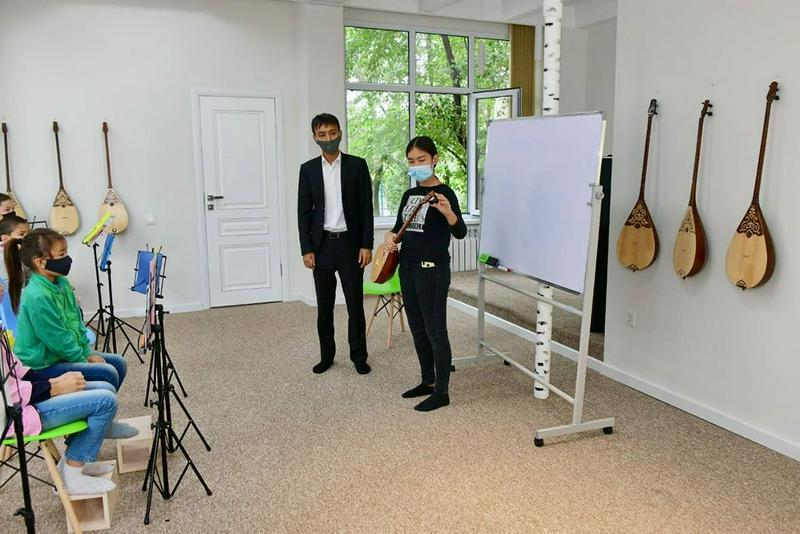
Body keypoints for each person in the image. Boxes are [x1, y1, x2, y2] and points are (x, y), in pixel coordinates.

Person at [382, 136, 466, 411]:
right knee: (418, 329)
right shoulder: (409, 195)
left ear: (434, 160)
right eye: (411, 161)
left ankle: (442, 392)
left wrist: (448, 213)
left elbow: (460, 232)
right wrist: (389, 236)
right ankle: (427, 381)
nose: (416, 165)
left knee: (435, 331)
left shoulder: (445, 193)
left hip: (433, 271)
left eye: (421, 160)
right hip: (407, 268)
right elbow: (398, 227)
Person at [5, 229, 131, 397]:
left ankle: (99, 402)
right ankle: (94, 403)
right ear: (40, 262)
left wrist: (86, 352)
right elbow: (57, 339)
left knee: (119, 364)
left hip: (58, 355)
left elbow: (76, 321)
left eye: (66, 252)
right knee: (107, 372)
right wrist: (82, 359)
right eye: (61, 254)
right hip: (40, 365)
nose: (67, 259)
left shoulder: (61, 282)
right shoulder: (37, 295)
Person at [297, 113, 374, 375]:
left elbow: (366, 208)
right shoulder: (308, 170)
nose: (328, 138)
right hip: (321, 247)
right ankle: (326, 356)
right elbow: (303, 213)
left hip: (350, 246)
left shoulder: (357, 166)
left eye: (332, 133)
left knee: (355, 305)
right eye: (322, 135)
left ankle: (359, 356)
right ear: (315, 138)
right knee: (325, 306)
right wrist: (307, 249)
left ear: (340, 133)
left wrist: (366, 244)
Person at [2, 346, 119, 495]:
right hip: (16, 416)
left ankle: (75, 462)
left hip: (25, 401)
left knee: (105, 388)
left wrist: (54, 382)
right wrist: (54, 387)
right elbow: (8, 396)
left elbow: (20, 372)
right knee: (106, 402)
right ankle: (73, 478)